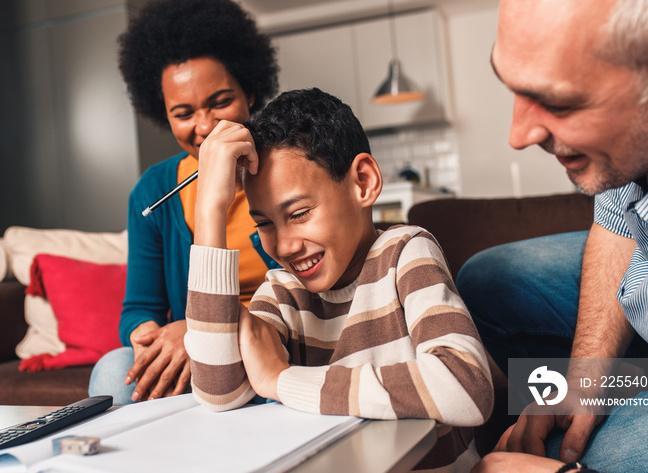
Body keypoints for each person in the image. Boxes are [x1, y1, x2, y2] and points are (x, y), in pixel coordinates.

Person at [184, 88, 494, 472]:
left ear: (362, 182)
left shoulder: (404, 253)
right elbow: (217, 391)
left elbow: (465, 385)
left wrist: (283, 381)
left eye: (298, 213)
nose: (283, 245)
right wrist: (209, 210)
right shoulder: (283, 292)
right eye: (264, 223)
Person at [457, 0, 648, 472]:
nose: (518, 133)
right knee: (489, 280)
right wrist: (587, 377)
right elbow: (615, 218)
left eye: (559, 102)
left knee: (572, 456)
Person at [88, 0, 279, 405]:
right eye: (183, 112)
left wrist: (198, 329)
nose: (205, 126)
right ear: (164, 115)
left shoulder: (287, 171)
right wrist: (147, 335)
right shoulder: (154, 191)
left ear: (250, 90)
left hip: (272, 339)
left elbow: (309, 293)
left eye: (220, 101)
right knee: (111, 370)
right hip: (194, 352)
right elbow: (139, 307)